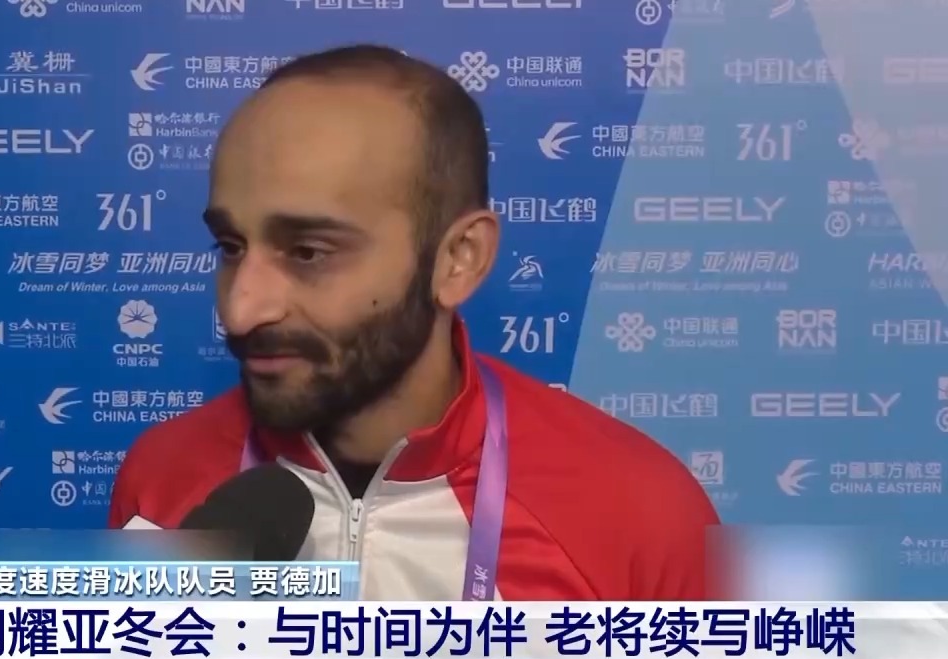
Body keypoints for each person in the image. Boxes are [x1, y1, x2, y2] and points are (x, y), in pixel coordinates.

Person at [109, 44, 720, 600]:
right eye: (231, 246)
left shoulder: (638, 513)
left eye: (308, 253)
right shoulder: (162, 477)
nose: (241, 310)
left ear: (458, 260)